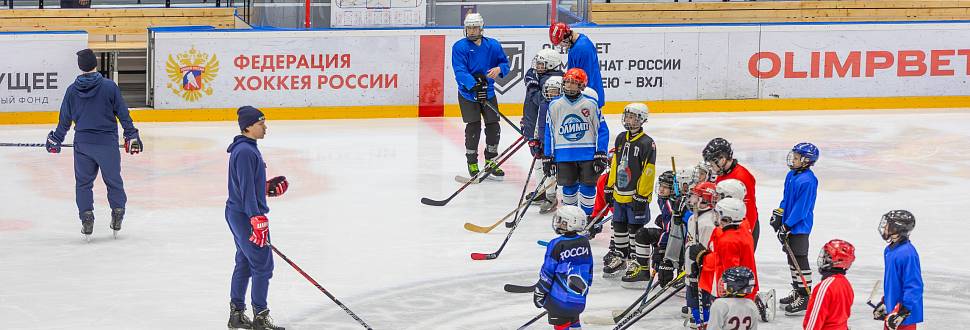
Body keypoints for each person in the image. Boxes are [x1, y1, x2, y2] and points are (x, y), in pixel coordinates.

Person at [45, 48, 142, 240]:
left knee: (83, 184)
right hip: (107, 144)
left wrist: (56, 139)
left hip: (84, 145)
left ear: (80, 67)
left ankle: (86, 217)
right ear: (95, 64)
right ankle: (118, 212)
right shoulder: (109, 87)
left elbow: (64, 121)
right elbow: (123, 113)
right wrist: (131, 136)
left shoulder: (72, 90)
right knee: (114, 181)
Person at [226, 106, 289, 330]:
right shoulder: (245, 152)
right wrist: (256, 218)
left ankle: (237, 315)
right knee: (263, 265)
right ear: (249, 126)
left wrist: (264, 187)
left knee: (244, 263)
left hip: (241, 213)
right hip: (246, 216)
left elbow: (247, 185)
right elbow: (244, 189)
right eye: (261, 124)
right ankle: (260, 318)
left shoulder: (248, 149)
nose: (265, 127)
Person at [542, 68, 609, 219]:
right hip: (564, 155)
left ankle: (587, 219)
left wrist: (601, 152)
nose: (569, 86)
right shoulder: (555, 105)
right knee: (569, 188)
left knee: (588, 187)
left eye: (574, 83)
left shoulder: (591, 104)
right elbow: (549, 132)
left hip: (588, 155)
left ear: (582, 86)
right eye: (567, 82)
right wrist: (548, 156)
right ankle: (570, 219)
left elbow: (602, 130)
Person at [451, 13, 511, 179]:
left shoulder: (492, 45)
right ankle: (472, 162)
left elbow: (505, 63)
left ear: (481, 28)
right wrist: (473, 85)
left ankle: (491, 161)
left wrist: (500, 69)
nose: (471, 31)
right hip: (468, 94)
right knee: (474, 127)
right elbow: (460, 71)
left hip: (488, 92)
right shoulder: (459, 47)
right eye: (468, 27)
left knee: (493, 126)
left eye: (474, 27)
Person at [602, 103, 656, 280]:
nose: (628, 120)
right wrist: (610, 186)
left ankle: (636, 259)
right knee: (618, 225)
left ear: (641, 119)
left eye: (632, 117)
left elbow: (648, 171)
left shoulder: (647, 143)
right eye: (627, 116)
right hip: (619, 193)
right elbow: (616, 164)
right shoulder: (620, 138)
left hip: (635, 196)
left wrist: (642, 195)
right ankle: (620, 255)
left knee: (635, 229)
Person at [769, 142, 820, 315]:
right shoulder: (791, 175)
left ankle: (806, 296)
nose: (793, 160)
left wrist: (787, 225)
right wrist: (779, 213)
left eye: (797, 158)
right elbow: (786, 199)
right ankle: (798, 291)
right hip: (789, 224)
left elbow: (801, 208)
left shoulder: (808, 181)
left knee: (799, 258)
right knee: (791, 258)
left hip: (800, 227)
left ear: (806, 160)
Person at [533, 205, 593, 330]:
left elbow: (547, 273)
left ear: (569, 223)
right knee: (573, 320)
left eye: (561, 220)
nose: (558, 223)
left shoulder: (556, 244)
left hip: (559, 300)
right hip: (579, 299)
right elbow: (589, 268)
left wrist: (540, 291)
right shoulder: (584, 242)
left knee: (561, 324)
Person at [524, 51, 564, 212]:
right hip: (535, 126)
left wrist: (532, 86)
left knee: (546, 163)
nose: (537, 66)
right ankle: (543, 192)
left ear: (552, 64)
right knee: (539, 163)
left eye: (542, 64)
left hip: (544, 131)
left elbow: (539, 101)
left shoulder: (553, 81)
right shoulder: (542, 76)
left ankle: (551, 196)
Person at [704, 138, 759, 250]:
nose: (711, 166)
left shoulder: (742, 177)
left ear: (722, 159)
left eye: (712, 162)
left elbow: (750, 211)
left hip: (741, 231)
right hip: (727, 227)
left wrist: (745, 236)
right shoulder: (722, 174)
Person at [873, 210, 923, 330]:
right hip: (893, 312)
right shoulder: (889, 251)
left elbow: (914, 285)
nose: (885, 227)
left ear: (898, 229)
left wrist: (904, 311)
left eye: (888, 225)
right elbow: (894, 283)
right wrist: (886, 302)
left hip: (903, 317)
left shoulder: (907, 253)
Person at [684, 181, 719, 329]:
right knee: (691, 300)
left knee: (700, 302)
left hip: (701, 274)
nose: (691, 199)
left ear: (704, 200)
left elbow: (705, 252)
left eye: (694, 196)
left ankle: (704, 324)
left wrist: (698, 266)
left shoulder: (708, 223)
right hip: (691, 269)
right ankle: (700, 321)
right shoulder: (694, 217)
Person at [549, 22, 605, 109]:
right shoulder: (577, 43)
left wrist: (581, 100)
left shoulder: (582, 49)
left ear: (566, 36)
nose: (561, 46)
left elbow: (586, 79)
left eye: (561, 43)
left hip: (588, 99)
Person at [804, 239, 856, 330]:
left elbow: (813, 323)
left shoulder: (824, 287)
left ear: (836, 261)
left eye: (827, 256)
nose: (823, 259)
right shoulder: (846, 284)